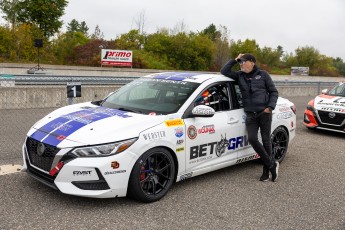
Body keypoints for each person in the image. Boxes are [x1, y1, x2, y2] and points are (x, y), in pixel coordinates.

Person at [220, 53, 279, 182]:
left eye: (243, 62)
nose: (241, 65)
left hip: (264, 113)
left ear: (252, 62)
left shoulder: (263, 75)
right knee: (252, 138)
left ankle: (265, 170)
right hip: (251, 114)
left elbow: (274, 92)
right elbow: (224, 71)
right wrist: (235, 60)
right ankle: (271, 164)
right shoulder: (239, 75)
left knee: (266, 141)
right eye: (240, 63)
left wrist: (269, 107)